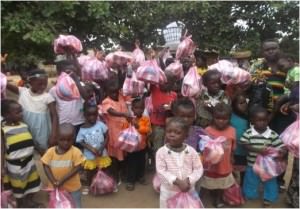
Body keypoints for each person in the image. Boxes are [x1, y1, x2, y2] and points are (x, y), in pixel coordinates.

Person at [240, 106, 286, 207]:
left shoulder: (272, 134)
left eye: (265, 120)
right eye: (259, 120)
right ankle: (250, 195)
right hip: (252, 164)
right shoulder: (248, 133)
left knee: (270, 182)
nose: (262, 123)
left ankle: (268, 198)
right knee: (250, 181)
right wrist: (257, 150)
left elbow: (281, 146)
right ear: (252, 120)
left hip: (268, 167)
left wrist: (282, 152)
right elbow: (243, 144)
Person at [6, 68, 58, 154]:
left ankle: (45, 165)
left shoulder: (47, 97)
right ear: (30, 82)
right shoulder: (23, 92)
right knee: (29, 148)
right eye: (39, 84)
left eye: (45, 84)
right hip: (26, 129)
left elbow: (55, 116)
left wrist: (53, 135)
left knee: (44, 151)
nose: (43, 87)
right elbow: (6, 85)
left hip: (41, 131)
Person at [1, 99, 42, 208]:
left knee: (32, 181)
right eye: (17, 112)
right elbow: (2, 150)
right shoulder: (3, 129)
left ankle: (29, 200)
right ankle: (20, 203)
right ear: (7, 115)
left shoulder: (23, 125)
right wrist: (2, 167)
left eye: (21, 111)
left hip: (29, 160)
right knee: (18, 185)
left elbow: (30, 140)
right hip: (15, 164)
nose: (21, 114)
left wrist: (39, 149)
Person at [156, 117, 203, 208]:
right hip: (169, 192)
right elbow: (161, 171)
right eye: (169, 131)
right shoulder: (161, 152)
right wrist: (177, 182)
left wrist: (189, 180)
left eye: (177, 132)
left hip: (188, 189)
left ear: (186, 136)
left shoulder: (191, 151)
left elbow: (198, 168)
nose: (172, 135)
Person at [200, 103, 236, 208]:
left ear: (229, 118)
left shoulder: (232, 131)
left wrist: (232, 157)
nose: (221, 121)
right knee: (207, 181)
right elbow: (203, 147)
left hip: (224, 163)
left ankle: (218, 198)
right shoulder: (207, 130)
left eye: (225, 118)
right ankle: (201, 197)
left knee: (221, 182)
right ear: (213, 117)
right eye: (218, 118)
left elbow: (233, 146)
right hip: (210, 164)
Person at [41, 123, 85, 208]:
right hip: (56, 187)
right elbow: (45, 165)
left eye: (69, 140)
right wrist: (53, 180)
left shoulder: (75, 152)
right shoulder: (50, 152)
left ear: (73, 139)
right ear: (57, 138)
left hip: (73, 187)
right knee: (58, 205)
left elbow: (78, 167)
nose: (66, 143)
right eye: (62, 140)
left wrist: (62, 180)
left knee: (76, 205)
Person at [76, 103, 112, 195]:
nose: (92, 117)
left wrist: (102, 148)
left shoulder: (100, 124)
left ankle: (107, 184)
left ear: (97, 115)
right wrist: (91, 148)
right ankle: (89, 186)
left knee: (104, 169)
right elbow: (80, 141)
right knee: (90, 172)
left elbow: (107, 136)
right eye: (89, 115)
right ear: (85, 115)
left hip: (102, 153)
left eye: (94, 115)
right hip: (90, 156)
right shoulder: (82, 129)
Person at [101, 79, 131, 184]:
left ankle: (123, 173)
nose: (114, 94)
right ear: (107, 92)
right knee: (115, 155)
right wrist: (123, 115)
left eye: (116, 91)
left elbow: (129, 93)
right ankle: (115, 175)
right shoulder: (106, 101)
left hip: (125, 131)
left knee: (124, 154)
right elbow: (110, 111)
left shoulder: (121, 97)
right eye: (111, 92)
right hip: (114, 133)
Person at [124, 97, 151, 191]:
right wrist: (128, 123)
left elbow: (147, 130)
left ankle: (140, 177)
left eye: (141, 108)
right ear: (132, 109)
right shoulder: (130, 119)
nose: (138, 110)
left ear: (144, 109)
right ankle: (130, 181)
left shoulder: (145, 119)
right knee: (131, 163)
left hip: (142, 146)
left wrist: (138, 126)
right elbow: (125, 130)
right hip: (131, 147)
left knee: (141, 162)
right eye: (136, 108)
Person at [149, 71, 177, 153]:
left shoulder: (174, 95)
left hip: (168, 125)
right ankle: (157, 162)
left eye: (166, 83)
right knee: (158, 146)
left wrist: (171, 109)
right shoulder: (155, 89)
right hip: (157, 126)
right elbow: (149, 78)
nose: (163, 84)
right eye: (161, 82)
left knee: (167, 147)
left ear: (172, 84)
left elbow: (175, 109)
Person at [230, 94, 249, 185]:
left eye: (245, 102)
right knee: (232, 170)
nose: (244, 104)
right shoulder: (231, 117)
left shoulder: (249, 116)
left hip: (244, 150)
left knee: (243, 170)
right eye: (240, 103)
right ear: (234, 105)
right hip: (233, 150)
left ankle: (242, 187)